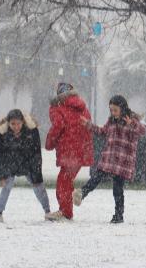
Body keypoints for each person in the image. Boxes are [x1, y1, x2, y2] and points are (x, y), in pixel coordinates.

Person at [74, 95, 146, 224]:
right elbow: (102, 131)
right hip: (109, 158)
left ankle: (119, 215)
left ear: (122, 109)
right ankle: (81, 193)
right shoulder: (111, 121)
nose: (113, 113)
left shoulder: (132, 120)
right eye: (111, 110)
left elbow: (143, 131)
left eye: (115, 110)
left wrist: (132, 124)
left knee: (117, 189)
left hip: (122, 162)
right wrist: (89, 125)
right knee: (96, 177)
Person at [44, 83, 93, 221]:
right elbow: (88, 125)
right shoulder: (82, 106)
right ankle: (68, 208)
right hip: (81, 150)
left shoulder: (56, 107)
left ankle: (65, 212)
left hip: (68, 151)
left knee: (63, 182)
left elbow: (58, 125)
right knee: (67, 180)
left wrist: (49, 143)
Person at [0, 109, 51, 223]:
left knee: (39, 187)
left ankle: (47, 212)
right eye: (13, 124)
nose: (16, 126)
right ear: (8, 123)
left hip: (28, 163)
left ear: (23, 122)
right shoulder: (3, 134)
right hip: (10, 164)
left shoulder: (32, 132)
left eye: (18, 123)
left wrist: (36, 174)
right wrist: (1, 175)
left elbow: (36, 153)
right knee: (6, 187)